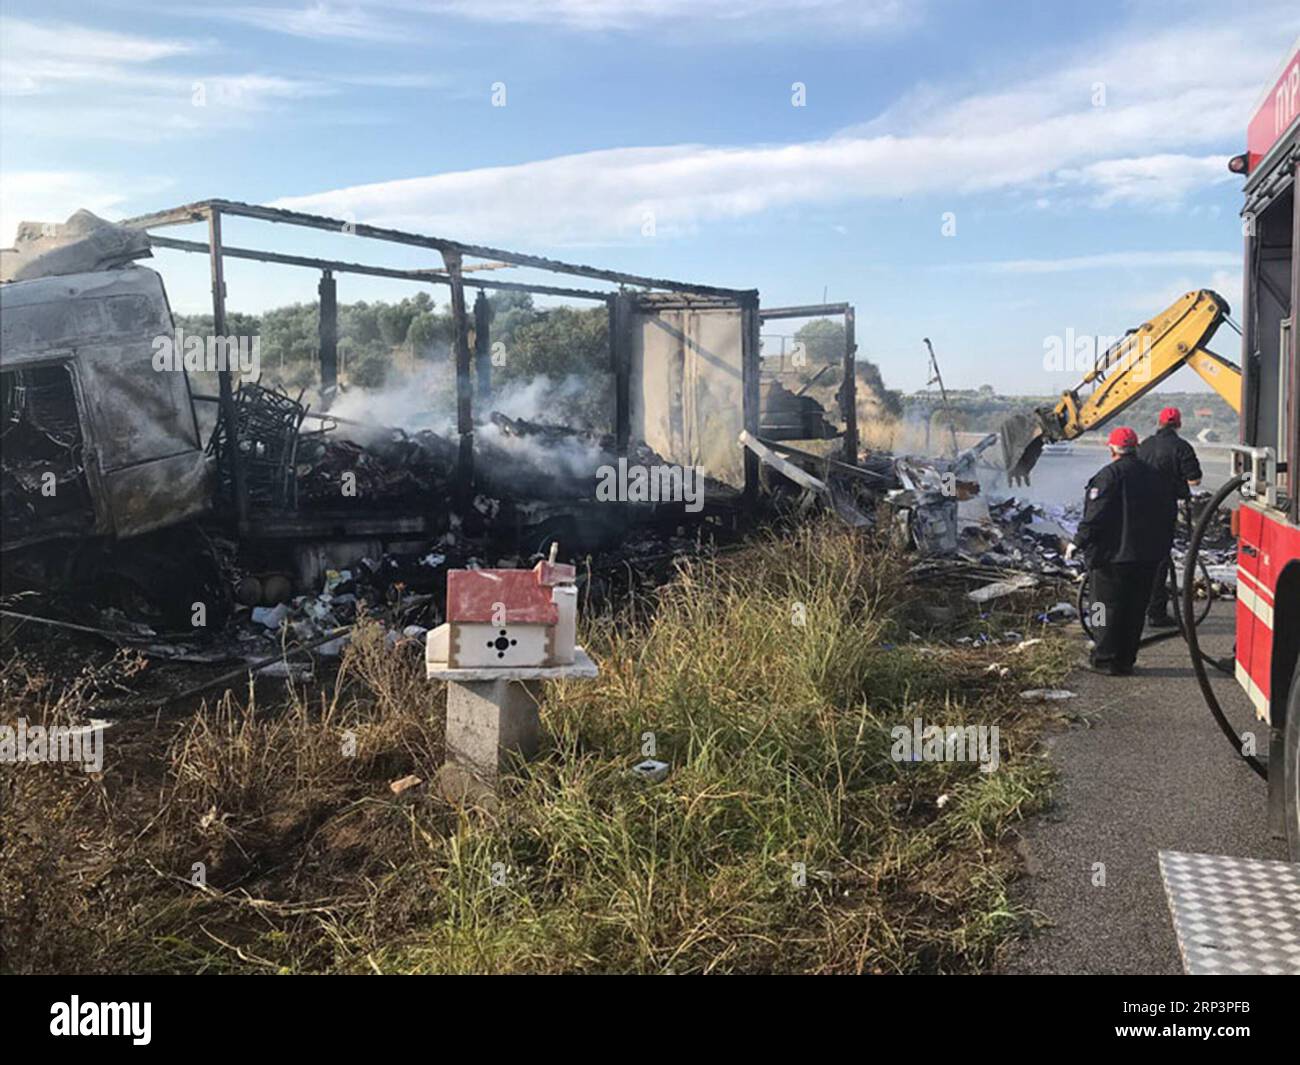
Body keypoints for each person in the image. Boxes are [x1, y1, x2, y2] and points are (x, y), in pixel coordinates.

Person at [1068, 426, 1175, 675]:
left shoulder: (1108, 476)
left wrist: (1078, 542)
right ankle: (1126, 659)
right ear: (1136, 447)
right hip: (1147, 558)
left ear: (1111, 449)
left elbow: (1095, 516)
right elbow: (1169, 514)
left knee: (1100, 607)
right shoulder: (1156, 476)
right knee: (1135, 608)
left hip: (1110, 559)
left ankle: (1102, 657)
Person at [1137, 407, 1203, 627]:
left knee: (1140, 558)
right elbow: (1194, 480)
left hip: (1138, 510)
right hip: (1163, 510)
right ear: (1179, 424)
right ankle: (1156, 613)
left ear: (1159, 421)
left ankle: (1133, 610)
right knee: (1159, 561)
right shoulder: (1182, 447)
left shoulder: (1144, 445)